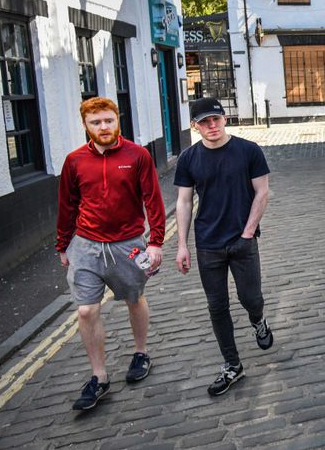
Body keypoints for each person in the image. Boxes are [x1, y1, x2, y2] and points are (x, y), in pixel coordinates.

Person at [57, 97, 165, 410]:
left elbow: (153, 200)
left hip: (128, 244)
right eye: (96, 122)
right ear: (85, 125)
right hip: (86, 245)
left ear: (117, 120)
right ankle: (99, 377)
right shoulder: (74, 161)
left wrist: (156, 241)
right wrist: (63, 244)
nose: (103, 127)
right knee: (86, 311)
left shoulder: (138, 155)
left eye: (108, 120)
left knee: (134, 299)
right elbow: (67, 205)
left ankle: (141, 353)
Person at [174, 97, 273, 395]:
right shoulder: (189, 159)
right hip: (208, 244)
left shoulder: (249, 151)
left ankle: (258, 320)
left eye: (215, 119)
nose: (212, 126)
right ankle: (232, 365)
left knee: (251, 298)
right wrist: (182, 245)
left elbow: (262, 192)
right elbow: (184, 201)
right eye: (204, 122)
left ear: (225, 119)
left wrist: (248, 233)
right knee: (217, 306)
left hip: (243, 240)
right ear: (195, 126)